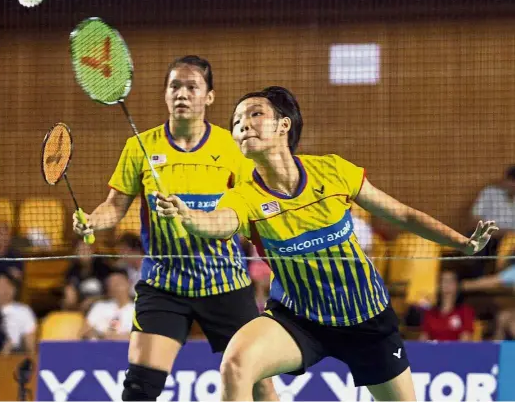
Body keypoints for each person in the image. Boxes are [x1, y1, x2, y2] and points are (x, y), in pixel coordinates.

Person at [157, 86, 498, 401]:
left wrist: (462, 243)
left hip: (366, 318)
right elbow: (220, 222)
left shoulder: (332, 172)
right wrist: (189, 217)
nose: (243, 124)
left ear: (283, 125)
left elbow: (402, 215)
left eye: (254, 114)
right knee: (237, 362)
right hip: (300, 318)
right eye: (236, 121)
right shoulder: (244, 196)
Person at [73, 56, 277, 401]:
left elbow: (249, 210)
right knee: (139, 387)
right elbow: (114, 206)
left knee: (259, 382)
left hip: (224, 282)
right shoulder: (140, 146)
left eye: (192, 87)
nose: (182, 94)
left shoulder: (232, 147)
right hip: (165, 284)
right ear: (166, 95)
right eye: (174, 87)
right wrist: (93, 220)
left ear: (209, 97)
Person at [419, 269, 475, 341]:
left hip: (455, 351)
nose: (447, 285)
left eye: (451, 281)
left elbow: (465, 341)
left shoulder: (465, 311)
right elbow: (423, 340)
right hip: (433, 351)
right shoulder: (430, 313)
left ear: (457, 286)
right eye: (444, 281)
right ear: (439, 285)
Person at [80, 269, 134, 341]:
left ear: (129, 283)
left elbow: (141, 338)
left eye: (118, 283)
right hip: (98, 349)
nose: (115, 287)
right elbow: (84, 332)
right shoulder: (99, 306)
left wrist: (103, 335)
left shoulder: (140, 309)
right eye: (111, 284)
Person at [0, 273, 37, 355]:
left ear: (15, 289)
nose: (5, 290)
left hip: (15, 354)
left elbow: (31, 347)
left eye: (9, 285)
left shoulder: (24, 311)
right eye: (1, 286)